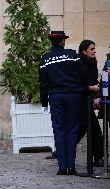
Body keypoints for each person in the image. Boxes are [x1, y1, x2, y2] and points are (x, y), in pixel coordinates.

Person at [39, 31, 85, 175]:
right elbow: (83, 74)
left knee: (59, 130)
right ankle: (71, 166)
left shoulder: (45, 59)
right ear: (62, 42)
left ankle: (62, 167)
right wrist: (82, 89)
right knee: (72, 130)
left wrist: (44, 102)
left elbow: (43, 83)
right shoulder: (72, 55)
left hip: (56, 97)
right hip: (73, 95)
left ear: (51, 42)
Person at [77, 40, 104, 167]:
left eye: (94, 48)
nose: (94, 51)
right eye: (91, 49)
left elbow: (95, 82)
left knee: (84, 128)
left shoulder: (93, 63)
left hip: (88, 100)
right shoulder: (78, 64)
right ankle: (98, 158)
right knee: (92, 128)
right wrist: (90, 89)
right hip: (79, 101)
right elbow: (79, 86)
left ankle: (61, 151)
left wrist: (96, 97)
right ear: (84, 51)